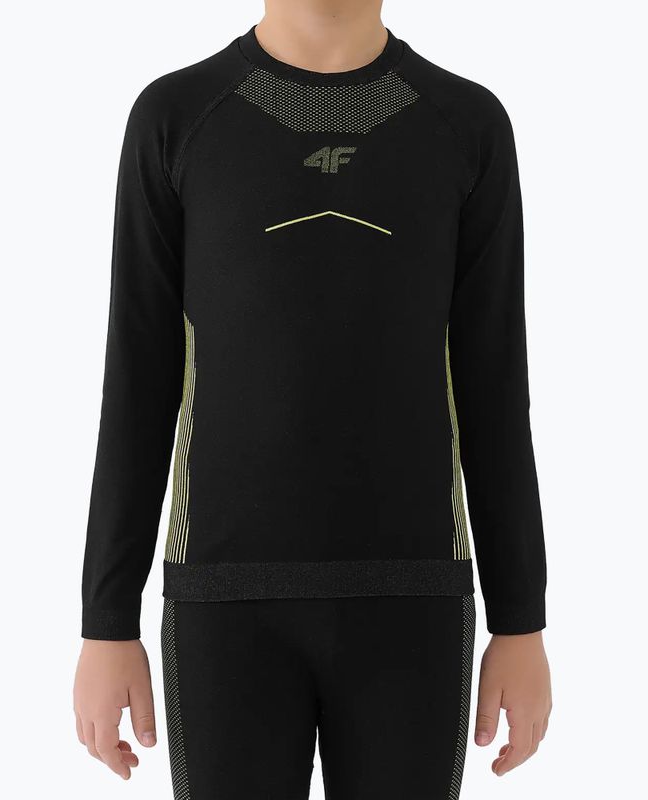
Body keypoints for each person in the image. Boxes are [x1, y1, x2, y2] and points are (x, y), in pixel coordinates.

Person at [73, 1, 552, 797]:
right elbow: (137, 382)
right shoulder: (177, 118)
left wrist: (520, 619)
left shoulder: (465, 126)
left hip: (414, 602)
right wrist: (107, 621)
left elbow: (496, 388)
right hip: (224, 607)